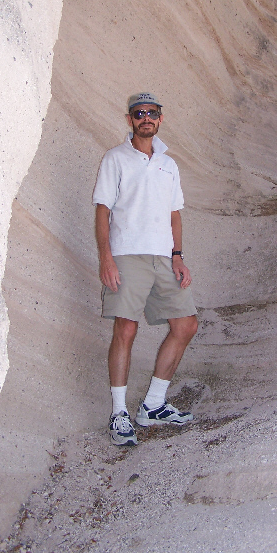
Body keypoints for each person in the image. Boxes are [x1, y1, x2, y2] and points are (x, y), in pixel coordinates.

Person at [93, 91, 198, 446]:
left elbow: (174, 214)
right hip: (127, 254)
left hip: (163, 257)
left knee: (186, 325)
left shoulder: (169, 164)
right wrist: (106, 258)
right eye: (139, 113)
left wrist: (178, 255)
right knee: (126, 328)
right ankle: (118, 413)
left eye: (152, 112)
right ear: (130, 120)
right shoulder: (115, 158)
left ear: (160, 119)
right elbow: (103, 211)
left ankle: (153, 404)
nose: (146, 118)